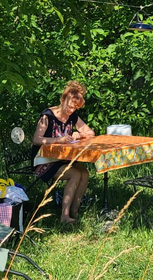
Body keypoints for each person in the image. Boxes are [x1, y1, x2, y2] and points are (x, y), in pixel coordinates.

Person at [31, 80, 96, 224]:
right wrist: (58, 140)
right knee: (75, 174)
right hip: (43, 160)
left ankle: (75, 210)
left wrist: (79, 135)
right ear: (63, 99)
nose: (71, 110)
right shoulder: (47, 116)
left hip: (62, 159)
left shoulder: (72, 116)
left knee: (84, 173)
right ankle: (64, 216)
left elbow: (91, 133)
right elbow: (36, 139)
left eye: (75, 108)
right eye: (70, 106)